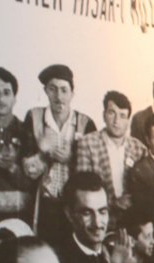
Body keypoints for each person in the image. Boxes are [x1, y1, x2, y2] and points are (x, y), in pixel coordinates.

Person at [21, 64, 96, 243]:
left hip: (75, 205)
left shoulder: (85, 123)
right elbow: (27, 169)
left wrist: (72, 158)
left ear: (72, 93)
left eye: (64, 90)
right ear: (45, 91)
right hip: (43, 204)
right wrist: (44, 154)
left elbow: (93, 172)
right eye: (52, 89)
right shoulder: (34, 118)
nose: (59, 96)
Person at [73, 90, 147, 217]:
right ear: (104, 115)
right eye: (112, 113)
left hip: (132, 218)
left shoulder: (139, 148)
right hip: (99, 218)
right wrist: (114, 203)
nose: (116, 121)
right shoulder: (87, 143)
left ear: (128, 120)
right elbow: (83, 189)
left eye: (122, 116)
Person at [0, 66, 30, 226]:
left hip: (19, 216)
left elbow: (32, 183)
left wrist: (12, 168)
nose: (0, 99)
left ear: (15, 99)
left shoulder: (26, 131)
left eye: (6, 92)